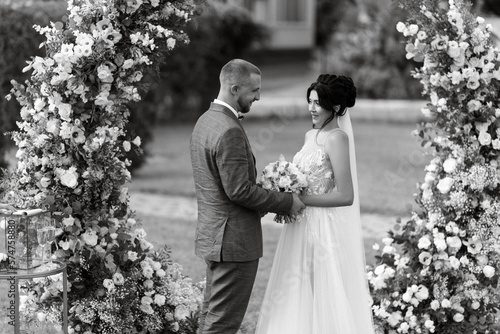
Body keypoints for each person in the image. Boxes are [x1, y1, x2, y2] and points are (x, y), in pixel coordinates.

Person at [189, 58, 306, 334]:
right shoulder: (228, 129)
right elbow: (239, 190)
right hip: (233, 243)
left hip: (214, 236)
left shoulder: (206, 121)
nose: (258, 96)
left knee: (211, 319)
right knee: (222, 325)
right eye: (254, 91)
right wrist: (288, 202)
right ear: (234, 88)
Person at [255, 74, 375, 334]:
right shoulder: (311, 135)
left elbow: (346, 195)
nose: (311, 108)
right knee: (295, 291)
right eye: (309, 101)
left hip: (322, 228)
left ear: (334, 107)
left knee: (322, 289)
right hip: (299, 225)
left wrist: (298, 200)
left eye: (318, 103)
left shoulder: (337, 139)